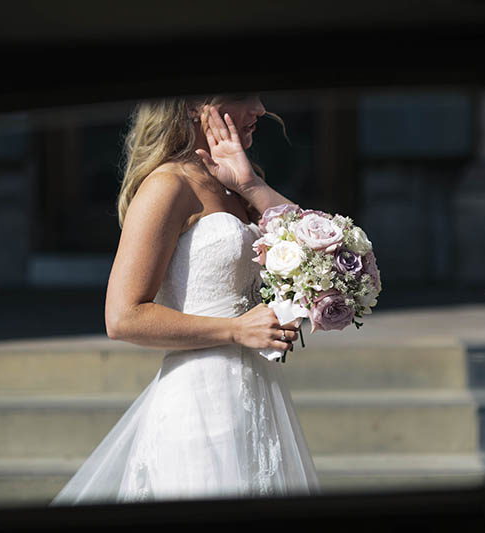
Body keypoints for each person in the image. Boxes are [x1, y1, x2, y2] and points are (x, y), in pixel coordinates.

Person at [51, 95, 320, 504]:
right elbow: (122, 317)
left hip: (260, 393)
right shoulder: (168, 185)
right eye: (245, 95)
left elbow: (327, 259)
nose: (261, 109)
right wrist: (236, 328)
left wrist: (252, 186)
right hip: (200, 403)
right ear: (197, 104)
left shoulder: (238, 182)